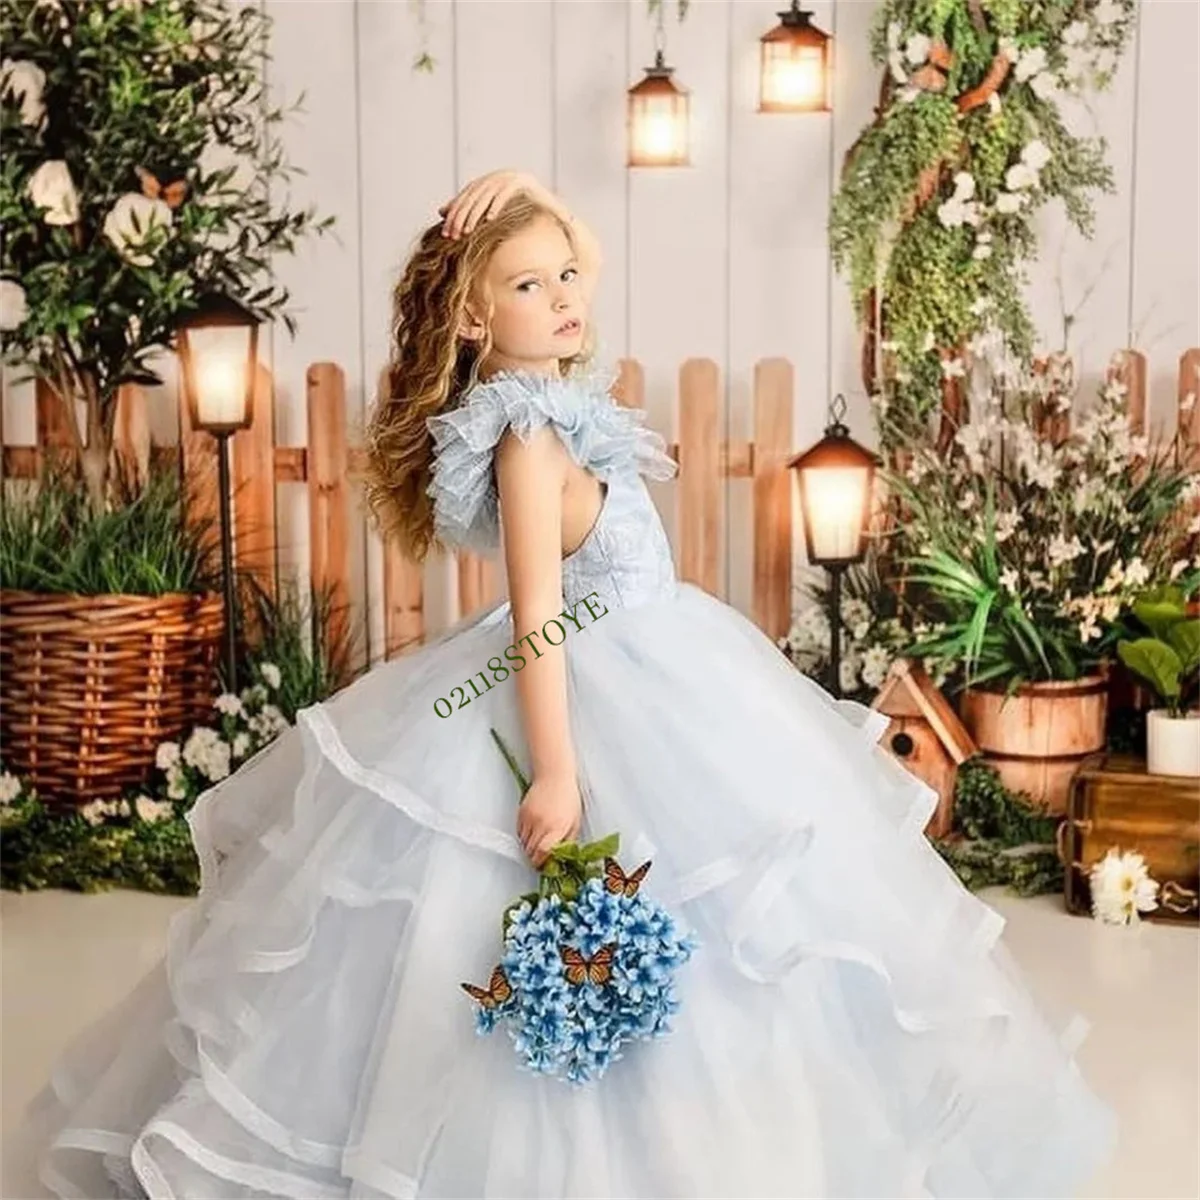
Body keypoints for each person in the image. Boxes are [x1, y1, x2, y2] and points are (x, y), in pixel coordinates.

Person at [25, 169, 1117, 1199]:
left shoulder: (553, 398)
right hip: (599, 677)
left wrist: (513, 192)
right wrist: (555, 772)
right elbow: (540, 619)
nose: (563, 296)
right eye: (527, 285)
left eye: (567, 277)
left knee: (727, 927)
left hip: (660, 662)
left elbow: (568, 250)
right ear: (472, 319)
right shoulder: (527, 435)